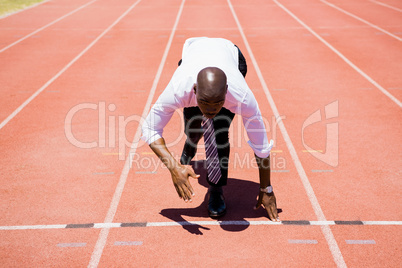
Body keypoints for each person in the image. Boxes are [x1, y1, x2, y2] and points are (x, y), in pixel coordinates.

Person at [141, 37, 279, 221]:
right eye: (205, 102)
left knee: (219, 131)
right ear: (195, 90)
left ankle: (216, 189)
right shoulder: (178, 89)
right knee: (193, 123)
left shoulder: (241, 97)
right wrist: (174, 167)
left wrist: (266, 188)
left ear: (226, 91)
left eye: (218, 103)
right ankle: (191, 142)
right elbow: (150, 128)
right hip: (193, 56)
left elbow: (260, 146)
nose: (211, 109)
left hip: (232, 57)